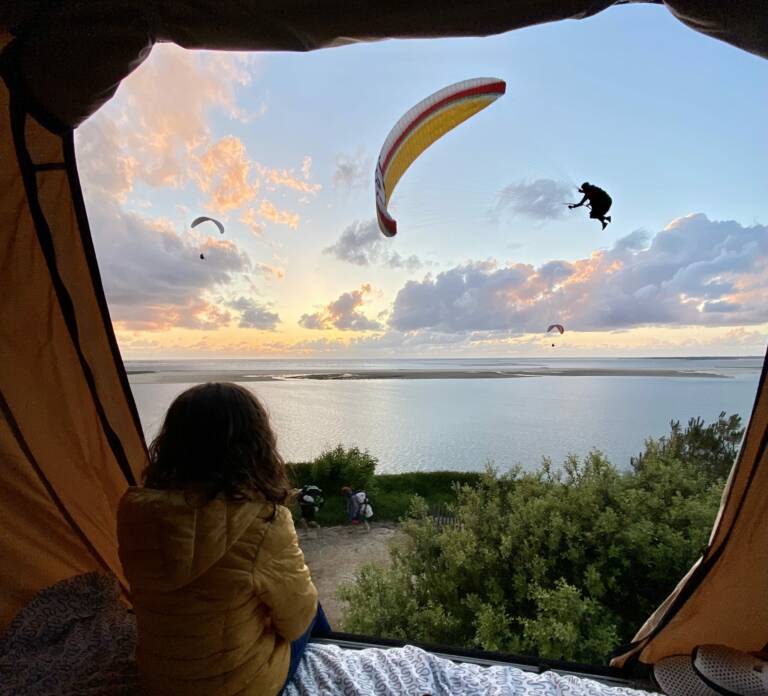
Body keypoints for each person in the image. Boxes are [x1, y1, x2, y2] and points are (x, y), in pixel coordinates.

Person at [117, 382, 331, 696]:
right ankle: (335, 653)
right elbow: (296, 623)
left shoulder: (133, 511)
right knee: (309, 607)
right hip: (237, 688)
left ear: (173, 442)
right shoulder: (265, 522)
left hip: (158, 682)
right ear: (255, 444)